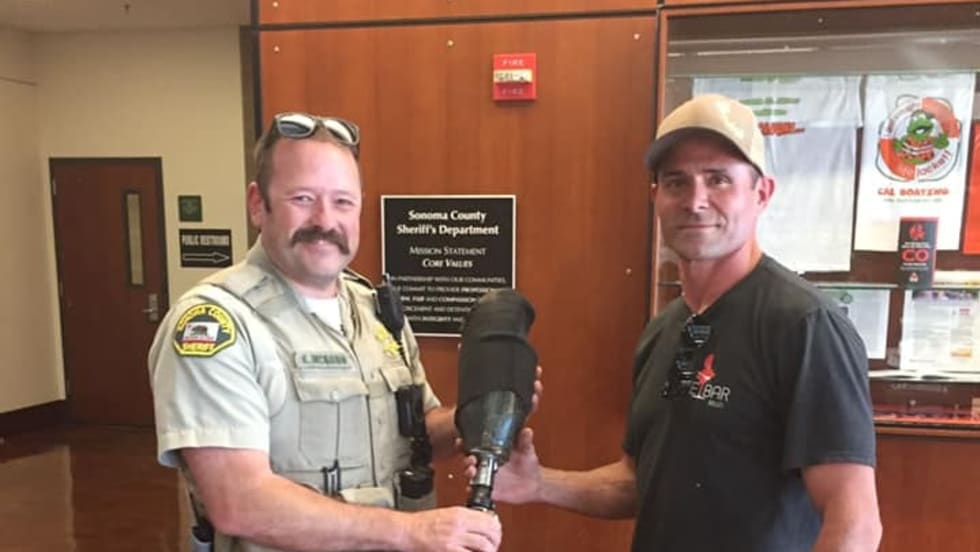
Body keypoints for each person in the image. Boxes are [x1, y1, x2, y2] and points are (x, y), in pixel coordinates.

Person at [472, 94, 883, 551]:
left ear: (762, 194)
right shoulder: (669, 330)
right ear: (657, 197)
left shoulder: (805, 326)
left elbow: (854, 525)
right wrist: (539, 483)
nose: (695, 201)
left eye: (718, 179)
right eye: (676, 182)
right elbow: (638, 481)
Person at [148, 112, 502, 552]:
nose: (325, 220)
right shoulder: (217, 324)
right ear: (258, 204)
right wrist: (411, 532)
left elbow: (415, 439)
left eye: (343, 202)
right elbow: (238, 501)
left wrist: (482, 410)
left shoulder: (375, 311)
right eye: (303, 198)